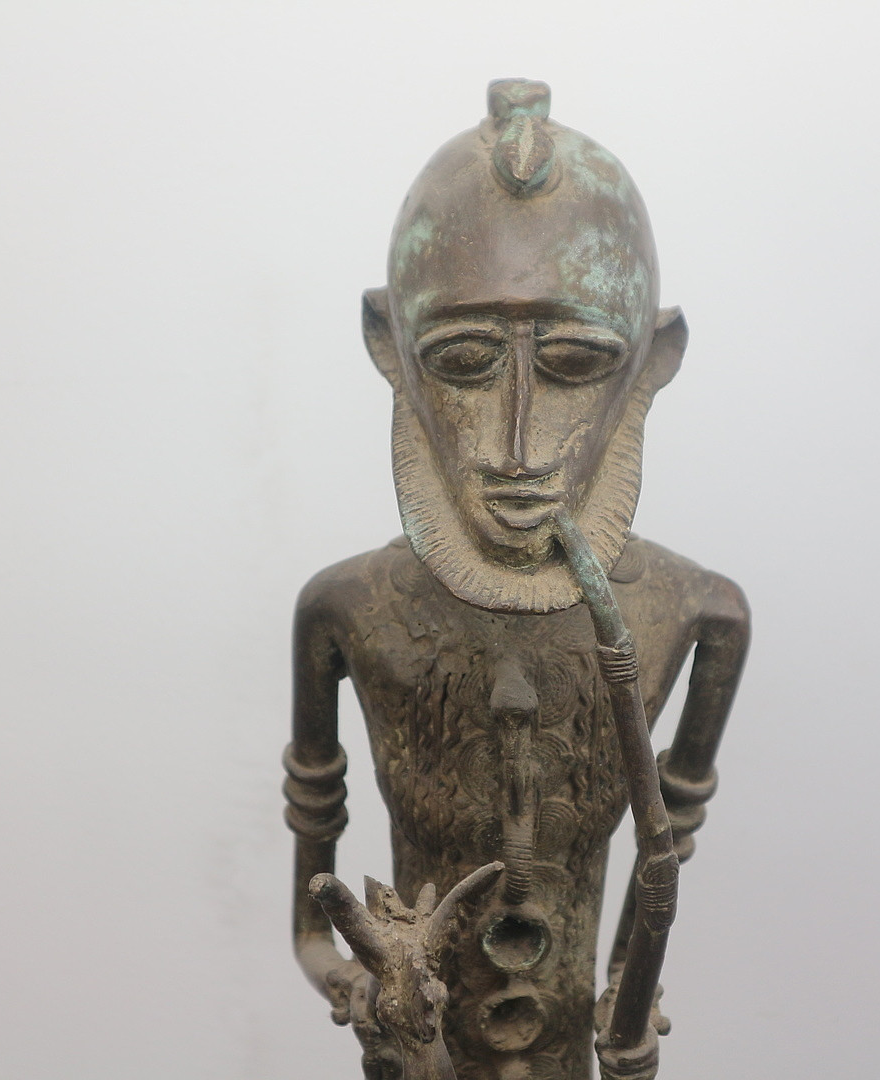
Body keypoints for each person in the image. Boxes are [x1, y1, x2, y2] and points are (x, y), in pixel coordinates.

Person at [284, 79, 750, 1080]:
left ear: (652, 360)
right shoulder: (347, 612)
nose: (517, 446)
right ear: (391, 350)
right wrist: (377, 996)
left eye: (577, 361)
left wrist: (626, 1009)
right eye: (464, 361)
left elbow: (659, 877)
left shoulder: (697, 612)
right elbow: (313, 931)